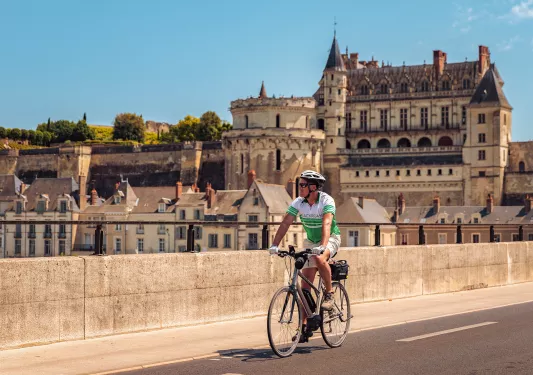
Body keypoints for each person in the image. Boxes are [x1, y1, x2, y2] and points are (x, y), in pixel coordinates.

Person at [269, 170, 341, 342]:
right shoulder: (299, 202)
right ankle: (304, 328)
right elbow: (286, 222)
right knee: (304, 290)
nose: (299, 188)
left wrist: (323, 246)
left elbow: (327, 222)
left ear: (313, 187)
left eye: (302, 185)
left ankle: (329, 294)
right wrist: (274, 245)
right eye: (299, 184)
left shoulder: (326, 200)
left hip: (331, 238)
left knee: (319, 258)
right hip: (310, 241)